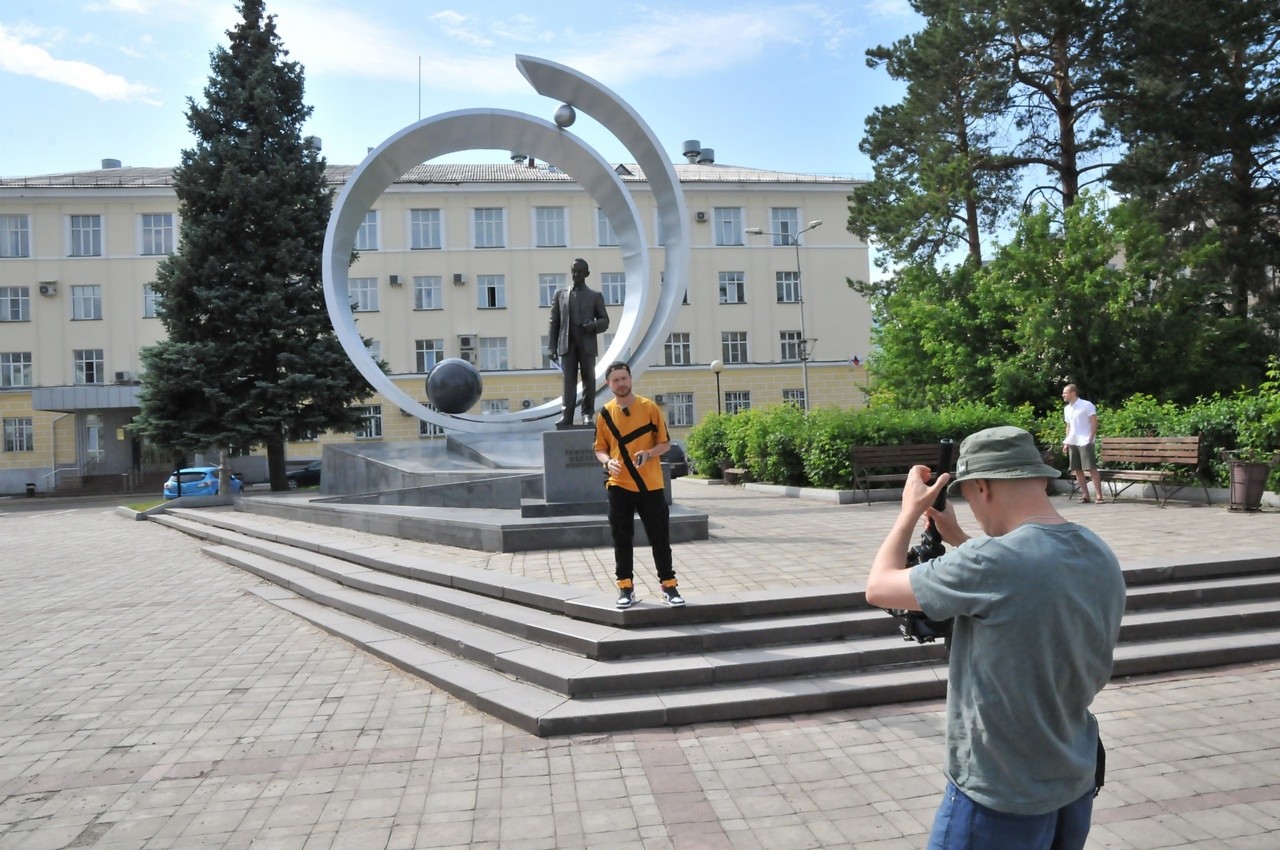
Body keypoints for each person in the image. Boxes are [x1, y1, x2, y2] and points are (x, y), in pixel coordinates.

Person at [865, 425, 1126, 850]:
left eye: (969, 496)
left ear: (982, 486)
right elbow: (1019, 584)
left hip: (998, 796)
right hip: (1071, 782)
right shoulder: (1096, 550)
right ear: (1039, 478)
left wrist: (909, 511)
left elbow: (879, 585)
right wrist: (960, 539)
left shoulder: (990, 563)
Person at [593, 362, 684, 608]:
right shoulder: (604, 414)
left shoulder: (649, 407)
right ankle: (625, 588)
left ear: (630, 379)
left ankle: (669, 586)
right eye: (615, 380)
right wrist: (608, 461)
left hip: (650, 484)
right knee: (621, 538)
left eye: (624, 378)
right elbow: (600, 448)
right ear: (608, 384)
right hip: (619, 484)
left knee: (660, 537)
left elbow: (665, 444)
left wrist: (650, 453)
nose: (621, 383)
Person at [548, 258, 610, 427]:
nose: (576, 274)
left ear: (586, 274)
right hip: (567, 345)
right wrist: (551, 346)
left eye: (580, 272)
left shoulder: (595, 296)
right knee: (568, 381)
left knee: (589, 380)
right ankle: (566, 414)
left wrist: (593, 326)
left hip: (587, 344)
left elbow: (605, 321)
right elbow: (554, 322)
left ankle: (587, 414)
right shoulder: (561, 295)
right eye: (573, 271)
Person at [1063, 383, 1105, 503]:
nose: (1063, 395)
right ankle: (1085, 495)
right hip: (1073, 441)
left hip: (1085, 440)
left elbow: (1093, 422)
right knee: (1077, 469)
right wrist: (1066, 442)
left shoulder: (1086, 405)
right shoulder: (1067, 409)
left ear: (1073, 393)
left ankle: (1099, 496)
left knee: (1091, 467)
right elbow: (1068, 426)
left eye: (1065, 392)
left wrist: (1091, 437)